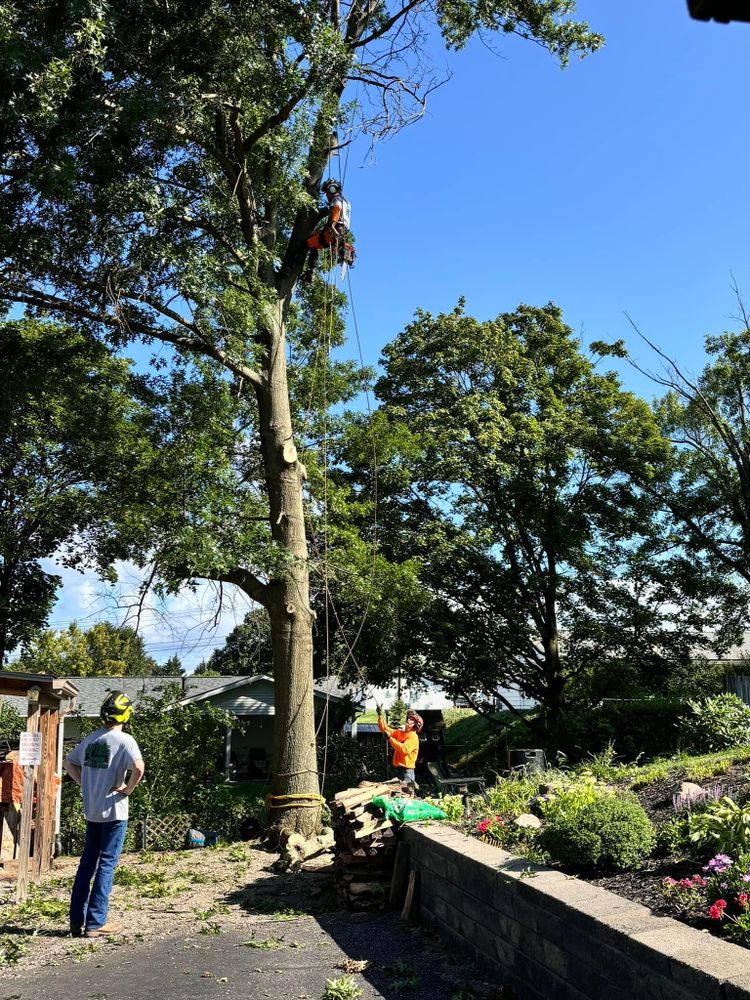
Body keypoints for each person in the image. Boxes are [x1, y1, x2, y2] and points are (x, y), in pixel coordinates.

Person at [63, 691, 145, 939]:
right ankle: (96, 922)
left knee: (86, 865)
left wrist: (83, 783)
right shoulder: (125, 740)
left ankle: (77, 922)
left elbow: (68, 762)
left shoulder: (92, 739)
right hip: (114, 811)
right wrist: (128, 789)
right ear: (126, 714)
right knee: (107, 865)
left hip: (93, 811)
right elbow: (139, 767)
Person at [300, 178, 351, 282]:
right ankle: (311, 271)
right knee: (313, 239)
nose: (326, 196)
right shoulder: (346, 202)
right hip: (341, 233)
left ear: (332, 189)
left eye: (327, 193)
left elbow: (336, 210)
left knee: (307, 243)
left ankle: (309, 271)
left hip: (334, 231)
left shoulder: (336, 200)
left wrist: (332, 225)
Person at [377, 707, 423, 785]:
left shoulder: (413, 736)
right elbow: (385, 729)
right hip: (398, 770)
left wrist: (390, 738)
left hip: (407, 772)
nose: (408, 720)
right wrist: (380, 715)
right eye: (409, 718)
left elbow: (404, 749)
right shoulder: (400, 733)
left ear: (415, 725)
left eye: (411, 719)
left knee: (406, 795)